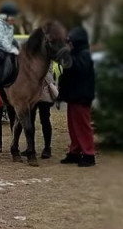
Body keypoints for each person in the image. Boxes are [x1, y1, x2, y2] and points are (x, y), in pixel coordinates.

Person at [58, 27, 97, 167]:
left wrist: (68, 57)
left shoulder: (84, 55)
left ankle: (88, 154)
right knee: (73, 127)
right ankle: (75, 152)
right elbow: (68, 73)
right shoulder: (77, 54)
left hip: (81, 97)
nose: (69, 45)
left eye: (71, 42)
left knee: (83, 127)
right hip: (74, 97)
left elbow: (79, 69)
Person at [33, 64, 60, 159]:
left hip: (44, 90)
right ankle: (31, 146)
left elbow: (47, 70)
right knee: (30, 119)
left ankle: (47, 147)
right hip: (31, 91)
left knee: (44, 119)